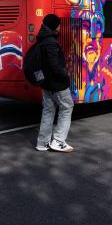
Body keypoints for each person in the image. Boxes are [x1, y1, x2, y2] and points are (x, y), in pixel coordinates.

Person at [33, 14, 74, 153]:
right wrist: (65, 76)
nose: (60, 26)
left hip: (46, 83)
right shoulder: (51, 42)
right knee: (67, 107)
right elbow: (54, 65)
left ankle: (42, 143)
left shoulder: (42, 39)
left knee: (48, 110)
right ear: (53, 26)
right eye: (59, 24)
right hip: (56, 83)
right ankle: (58, 141)